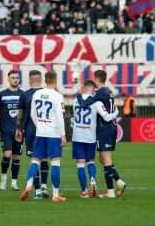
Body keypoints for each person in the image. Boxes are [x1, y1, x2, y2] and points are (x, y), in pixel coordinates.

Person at [76, 70, 127, 198]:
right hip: (111, 127)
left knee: (106, 159)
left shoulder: (98, 93)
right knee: (102, 159)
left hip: (105, 128)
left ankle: (110, 191)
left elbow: (83, 104)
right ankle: (119, 182)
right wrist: (115, 113)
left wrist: (78, 95)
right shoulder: (109, 91)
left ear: (97, 80)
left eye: (94, 78)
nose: (93, 80)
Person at [20, 71, 67, 202]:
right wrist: (63, 135)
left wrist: (40, 125)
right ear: (56, 80)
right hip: (53, 134)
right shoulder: (58, 96)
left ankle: (29, 186)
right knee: (55, 162)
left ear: (45, 80)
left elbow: (32, 114)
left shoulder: (37, 94)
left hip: (40, 133)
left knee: (35, 160)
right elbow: (60, 117)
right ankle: (56, 195)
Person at [15, 70, 50, 199]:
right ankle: (45, 186)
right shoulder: (47, 94)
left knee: (33, 160)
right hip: (46, 130)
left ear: (30, 80)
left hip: (30, 130)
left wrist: (18, 129)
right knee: (44, 158)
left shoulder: (25, 95)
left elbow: (21, 114)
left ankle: (37, 191)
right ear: (41, 80)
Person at [0, 70, 24, 191]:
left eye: (17, 78)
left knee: (16, 157)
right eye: (13, 78)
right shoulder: (1, 95)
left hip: (19, 131)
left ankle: (14, 182)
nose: (15, 80)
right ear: (8, 79)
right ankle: (3, 178)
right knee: (7, 154)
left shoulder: (23, 95)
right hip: (6, 130)